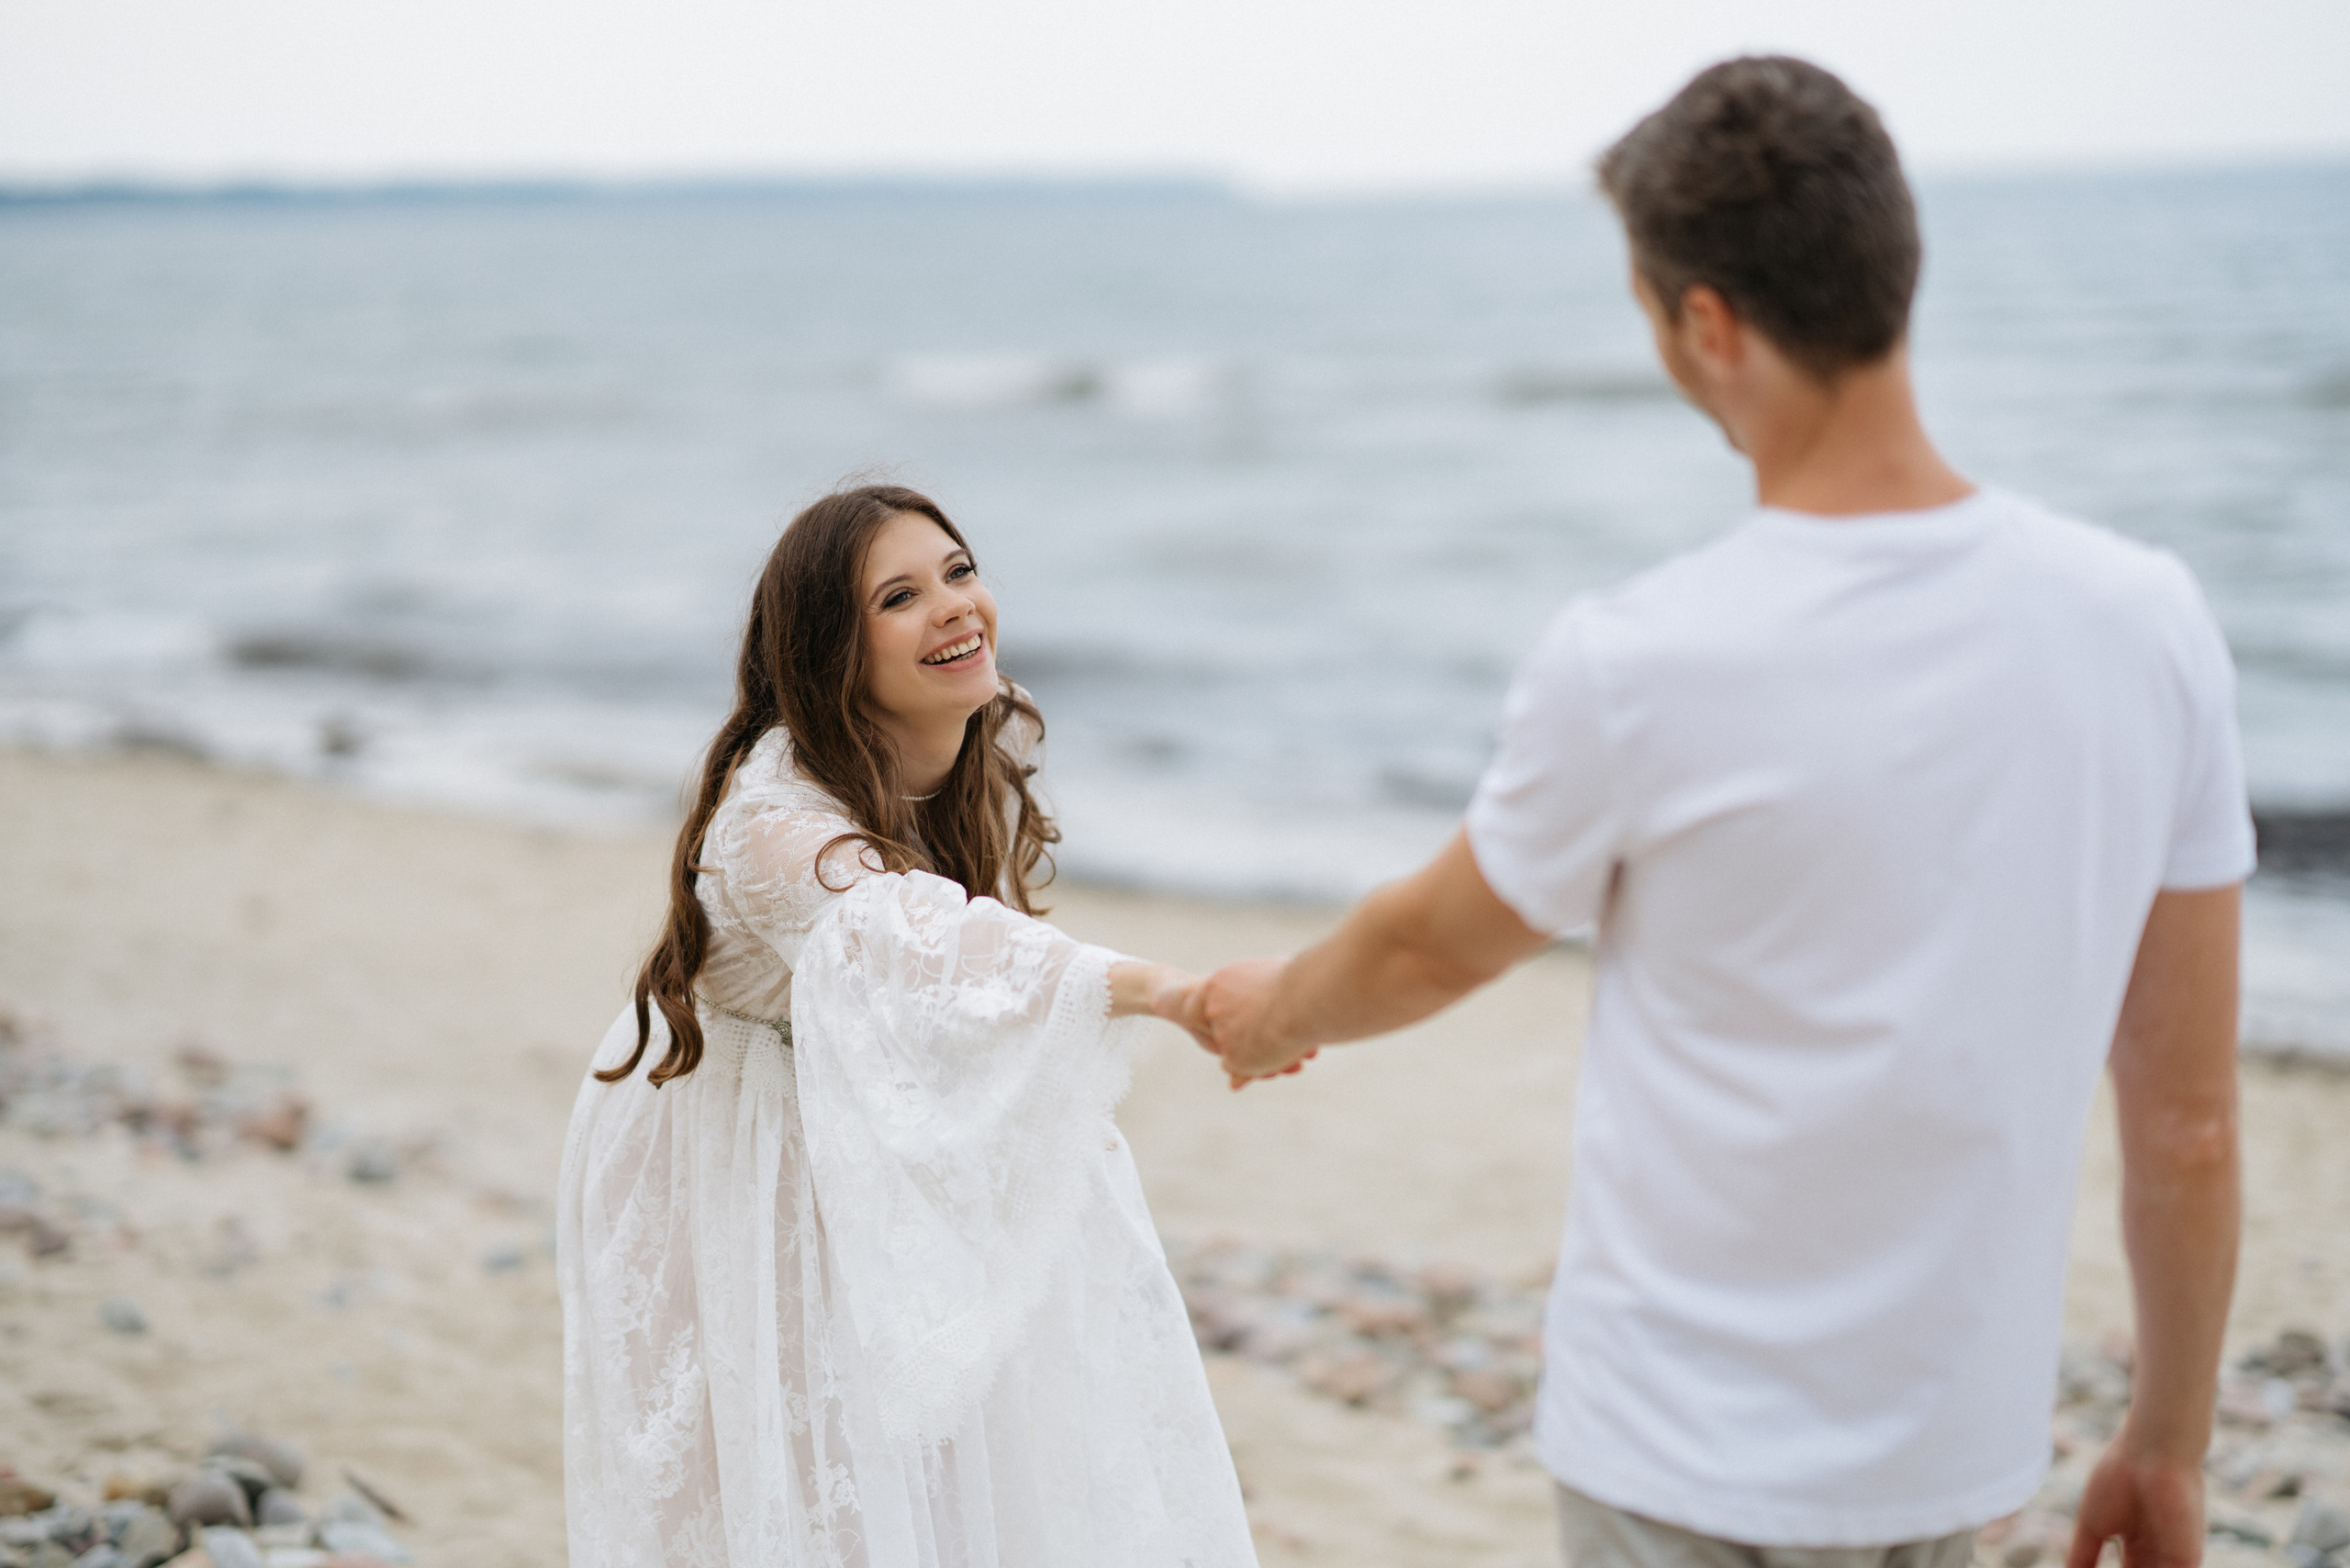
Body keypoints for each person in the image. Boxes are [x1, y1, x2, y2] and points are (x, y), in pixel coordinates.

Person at [1185, 56, 2252, 1568]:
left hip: (1671, 1456)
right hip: (1954, 1455)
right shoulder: (2149, 622)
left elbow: (1430, 946)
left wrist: (1263, 1007)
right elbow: (2192, 1125)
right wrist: (2169, 1442)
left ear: (1704, 321)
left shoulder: (1639, 661)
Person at [555, 484, 1257, 1567]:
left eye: (959, 572)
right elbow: (915, 936)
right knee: (784, 1496)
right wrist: (1163, 989)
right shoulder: (773, 829)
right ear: (838, 655)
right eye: (900, 595)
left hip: (848, 1119)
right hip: (731, 1151)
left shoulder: (954, 756)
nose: (952, 607)